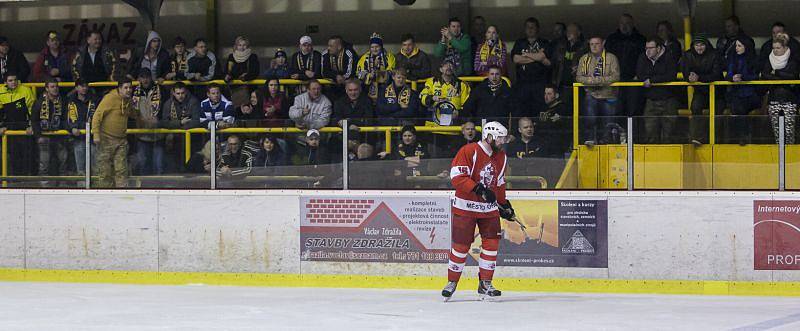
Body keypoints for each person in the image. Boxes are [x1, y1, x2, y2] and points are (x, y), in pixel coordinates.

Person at [442, 121, 516, 301]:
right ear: (489, 136)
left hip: (489, 210)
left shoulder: (502, 157)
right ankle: (452, 282)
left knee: (491, 244)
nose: (502, 142)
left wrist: (504, 204)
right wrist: (479, 189)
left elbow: (499, 183)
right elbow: (457, 177)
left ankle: (485, 283)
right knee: (461, 246)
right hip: (465, 207)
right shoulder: (469, 151)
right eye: (499, 138)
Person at [91, 78, 138, 188]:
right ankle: (104, 196)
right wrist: (96, 135)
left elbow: (133, 114)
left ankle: (121, 196)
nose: (128, 90)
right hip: (106, 139)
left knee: (121, 170)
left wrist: (144, 119)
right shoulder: (110, 98)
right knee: (105, 172)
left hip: (121, 140)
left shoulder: (128, 101)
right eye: (125, 88)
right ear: (119, 88)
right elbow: (97, 116)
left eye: (130, 88)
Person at [575, 36, 620, 145]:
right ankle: (590, 139)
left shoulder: (611, 58)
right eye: (592, 44)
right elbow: (579, 77)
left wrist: (597, 80)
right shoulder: (584, 59)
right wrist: (594, 81)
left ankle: (607, 141)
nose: (594, 46)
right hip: (592, 94)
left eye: (597, 44)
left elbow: (616, 76)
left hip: (608, 95)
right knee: (590, 118)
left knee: (608, 122)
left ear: (603, 44)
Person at [679, 34, 723, 145]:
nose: (699, 47)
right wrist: (689, 77)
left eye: (702, 45)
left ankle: (716, 139)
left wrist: (699, 78)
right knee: (695, 107)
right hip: (700, 90)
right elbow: (685, 72)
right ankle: (697, 138)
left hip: (717, 91)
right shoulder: (688, 55)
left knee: (718, 112)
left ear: (706, 45)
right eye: (697, 45)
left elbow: (717, 74)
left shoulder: (714, 54)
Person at [637, 37, 679, 144]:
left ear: (659, 48)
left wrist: (652, 80)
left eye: (651, 48)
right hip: (651, 99)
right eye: (646, 48)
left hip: (668, 99)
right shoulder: (643, 57)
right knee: (650, 132)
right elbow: (640, 74)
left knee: (669, 133)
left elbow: (671, 75)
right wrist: (658, 78)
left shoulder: (669, 57)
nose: (648, 51)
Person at [761, 33, 799, 144]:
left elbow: (793, 75)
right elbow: (764, 74)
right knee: (777, 132)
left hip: (789, 100)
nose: (776, 50)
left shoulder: (792, 59)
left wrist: (776, 72)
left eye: (778, 48)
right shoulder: (769, 59)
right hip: (773, 99)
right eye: (774, 48)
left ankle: (790, 158)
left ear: (785, 48)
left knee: (789, 132)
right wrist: (782, 75)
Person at [606, 14, 646, 117]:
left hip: (634, 79)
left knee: (633, 108)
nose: (624, 26)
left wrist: (639, 74)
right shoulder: (612, 39)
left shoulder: (640, 40)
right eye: (622, 23)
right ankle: (619, 132)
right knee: (616, 109)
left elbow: (644, 59)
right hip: (616, 79)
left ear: (632, 24)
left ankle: (633, 132)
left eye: (627, 23)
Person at [511, 17, 551, 115]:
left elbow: (544, 58)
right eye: (528, 27)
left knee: (539, 112)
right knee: (522, 111)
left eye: (532, 27)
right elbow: (516, 59)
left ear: (537, 29)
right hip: (522, 84)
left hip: (540, 84)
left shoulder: (544, 42)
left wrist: (526, 55)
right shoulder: (519, 43)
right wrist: (537, 58)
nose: (530, 29)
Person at [131, 68, 166, 175]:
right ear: (139, 79)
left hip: (158, 134)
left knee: (158, 166)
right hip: (142, 135)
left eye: (147, 77)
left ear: (151, 78)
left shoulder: (162, 90)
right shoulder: (133, 92)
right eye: (142, 77)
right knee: (143, 165)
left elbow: (166, 110)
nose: (145, 80)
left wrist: (159, 121)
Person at [0, 72, 36, 175]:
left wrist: (31, 125)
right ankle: (15, 177)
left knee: (27, 153)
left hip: (24, 127)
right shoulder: (1, 92)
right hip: (9, 128)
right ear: (5, 82)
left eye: (15, 80)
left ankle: (28, 177)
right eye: (10, 80)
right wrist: (1, 126)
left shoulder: (26, 90)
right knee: (12, 153)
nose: (13, 82)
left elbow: (32, 110)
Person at [725, 37, 760, 145]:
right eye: (736, 46)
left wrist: (744, 77)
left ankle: (743, 136)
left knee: (740, 106)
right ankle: (740, 137)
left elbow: (756, 76)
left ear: (746, 47)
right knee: (736, 106)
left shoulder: (754, 59)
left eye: (739, 46)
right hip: (737, 94)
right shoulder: (733, 59)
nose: (736, 48)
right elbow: (728, 74)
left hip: (752, 94)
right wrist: (732, 78)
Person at [33, 79, 69, 179]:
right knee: (44, 164)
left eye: (56, 86)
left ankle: (63, 185)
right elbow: (34, 120)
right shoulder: (39, 102)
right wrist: (38, 136)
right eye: (52, 87)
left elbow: (66, 118)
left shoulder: (63, 100)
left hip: (60, 136)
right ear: (46, 88)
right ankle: (43, 187)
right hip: (44, 137)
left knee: (63, 162)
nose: (55, 89)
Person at [66, 79, 98, 175]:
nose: (84, 88)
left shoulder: (94, 100)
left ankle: (97, 188)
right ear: (76, 88)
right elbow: (65, 118)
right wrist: (71, 128)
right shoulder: (70, 101)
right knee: (81, 168)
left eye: (85, 86)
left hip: (92, 138)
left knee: (96, 167)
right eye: (81, 86)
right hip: (78, 138)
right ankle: (81, 187)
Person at [551, 23, 587, 96]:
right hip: (562, 85)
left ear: (579, 33)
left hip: (578, 86)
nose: (569, 33)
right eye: (567, 31)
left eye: (572, 31)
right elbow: (554, 63)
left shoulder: (585, 47)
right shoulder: (561, 45)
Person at [357, 33, 396, 101]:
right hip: (368, 88)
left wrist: (377, 73)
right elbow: (359, 73)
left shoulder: (389, 56)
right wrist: (369, 75)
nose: (374, 49)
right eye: (372, 47)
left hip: (385, 87)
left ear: (381, 46)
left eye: (377, 47)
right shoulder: (364, 58)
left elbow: (392, 71)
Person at [538, 85, 571, 155]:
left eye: (549, 94)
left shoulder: (563, 109)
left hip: (558, 147)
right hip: (545, 147)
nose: (546, 97)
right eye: (545, 94)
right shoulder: (543, 108)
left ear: (556, 95)